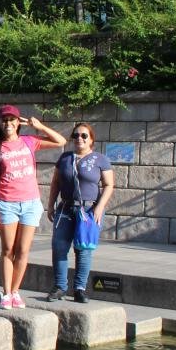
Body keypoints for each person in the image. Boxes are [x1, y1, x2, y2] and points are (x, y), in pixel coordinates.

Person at [0, 104, 65, 310]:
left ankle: (15, 291)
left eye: (12, 119)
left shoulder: (29, 141)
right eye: (4, 120)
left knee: (23, 250)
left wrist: (38, 126)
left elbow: (61, 141)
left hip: (30, 203)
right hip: (7, 203)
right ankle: (6, 293)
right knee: (8, 249)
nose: (8, 123)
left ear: (18, 122)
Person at [46, 122, 115, 302]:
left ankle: (79, 289)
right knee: (59, 247)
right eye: (76, 135)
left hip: (89, 210)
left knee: (83, 249)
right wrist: (51, 204)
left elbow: (109, 185)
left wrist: (100, 207)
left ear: (91, 139)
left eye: (84, 135)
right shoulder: (65, 158)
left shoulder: (100, 159)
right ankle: (60, 287)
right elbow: (56, 183)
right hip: (66, 208)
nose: (79, 138)